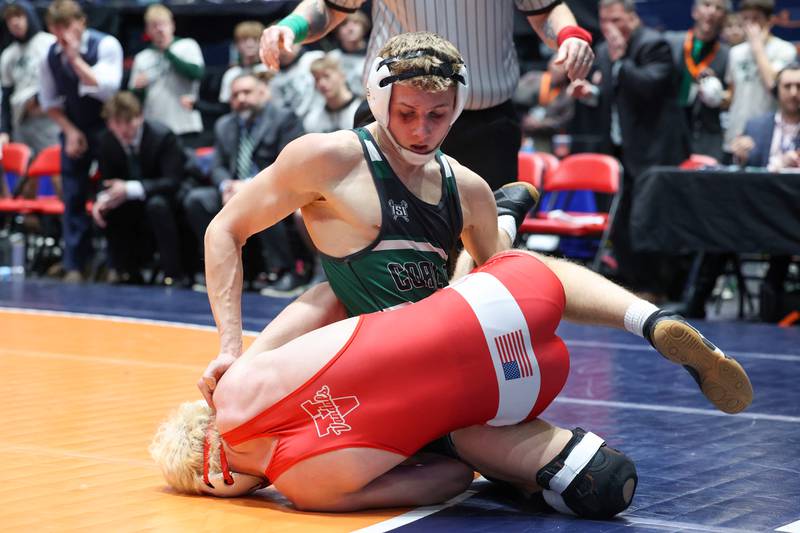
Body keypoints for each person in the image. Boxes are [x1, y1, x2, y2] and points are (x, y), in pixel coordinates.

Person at [197, 32, 750, 422]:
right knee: (239, 391)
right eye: (407, 113)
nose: (421, 130)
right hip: (357, 321)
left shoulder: (465, 185)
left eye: (437, 115)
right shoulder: (326, 158)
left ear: (458, 106)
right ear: (377, 99)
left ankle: (651, 322)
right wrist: (228, 345)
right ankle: (516, 220)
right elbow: (225, 228)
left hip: (436, 337)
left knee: (507, 267)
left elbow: (494, 283)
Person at [152, 250, 751, 517]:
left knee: (452, 437)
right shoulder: (239, 379)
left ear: (218, 482)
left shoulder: (309, 490)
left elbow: (451, 478)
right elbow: (330, 293)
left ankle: (564, 470)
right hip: (493, 304)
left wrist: (387, 447)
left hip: (517, 391)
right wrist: (238, 352)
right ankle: (647, 318)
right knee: (534, 281)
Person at [259, 0, 595, 190]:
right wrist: (291, 27)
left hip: (484, 120)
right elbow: (331, 7)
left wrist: (570, 35)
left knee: (481, 263)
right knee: (380, 248)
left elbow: (545, 9)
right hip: (392, 118)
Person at [569, 0, 690, 300]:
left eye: (616, 19)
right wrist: (592, 93)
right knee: (622, 222)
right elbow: (615, 93)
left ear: (633, 18)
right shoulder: (609, 49)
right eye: (605, 20)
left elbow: (649, 87)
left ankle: (658, 287)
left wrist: (623, 59)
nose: (610, 27)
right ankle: (634, 283)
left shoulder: (653, 44)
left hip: (656, 153)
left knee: (648, 220)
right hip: (625, 151)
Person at [685, 63, 800, 321]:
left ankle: (770, 306)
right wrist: (741, 156)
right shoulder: (757, 126)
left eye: (799, 87)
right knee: (722, 225)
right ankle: (696, 302)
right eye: (788, 86)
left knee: (784, 234)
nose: (794, 92)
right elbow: (744, 173)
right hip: (754, 211)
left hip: (792, 215)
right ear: (777, 91)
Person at [182, 72, 306, 293]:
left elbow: (289, 164)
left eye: (247, 92)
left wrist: (249, 186)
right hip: (233, 190)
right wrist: (225, 186)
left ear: (262, 93)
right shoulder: (224, 124)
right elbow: (217, 165)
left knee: (265, 201)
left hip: (274, 188)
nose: (241, 98)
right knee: (197, 200)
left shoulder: (284, 118)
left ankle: (287, 271)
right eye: (235, 94)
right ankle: (229, 268)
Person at [39, 0, 123, 282]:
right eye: (56, 28)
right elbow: (49, 101)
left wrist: (75, 59)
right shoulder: (50, 55)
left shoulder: (106, 44)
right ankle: (75, 264)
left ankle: (115, 263)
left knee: (110, 193)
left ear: (81, 22)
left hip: (108, 126)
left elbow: (107, 89)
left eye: (67, 26)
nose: (63, 34)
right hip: (74, 127)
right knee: (73, 194)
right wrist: (70, 131)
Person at [92, 91, 189, 286]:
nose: (124, 129)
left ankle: (173, 274)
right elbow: (105, 181)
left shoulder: (163, 136)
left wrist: (130, 189)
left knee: (157, 205)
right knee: (110, 208)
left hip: (167, 195)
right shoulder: (106, 141)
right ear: (110, 124)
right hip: (130, 199)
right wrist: (101, 200)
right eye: (117, 124)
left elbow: (173, 181)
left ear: (140, 117)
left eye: (129, 122)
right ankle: (126, 271)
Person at [722, 0, 796, 162]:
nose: (749, 26)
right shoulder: (736, 53)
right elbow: (732, 94)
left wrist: (757, 48)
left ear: (769, 21)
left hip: (766, 136)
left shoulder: (784, 50)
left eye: (755, 19)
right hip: (734, 134)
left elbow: (773, 85)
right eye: (745, 19)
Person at [128, 4, 205, 147]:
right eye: (154, 25)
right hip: (155, 127)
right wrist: (138, 89)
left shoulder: (187, 45)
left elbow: (197, 74)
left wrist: (168, 52)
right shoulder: (142, 58)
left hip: (185, 125)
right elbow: (134, 102)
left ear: (172, 25)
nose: (159, 29)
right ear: (147, 30)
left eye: (163, 24)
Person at [665, 0, 732, 161]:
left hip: (706, 134)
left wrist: (716, 93)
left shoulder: (728, 55)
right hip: (670, 131)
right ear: (695, 11)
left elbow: (732, 98)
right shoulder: (670, 42)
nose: (712, 12)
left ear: (724, 17)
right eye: (707, 5)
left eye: (718, 8)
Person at [0, 1, 59, 155]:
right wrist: (4, 130)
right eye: (10, 19)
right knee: (23, 174)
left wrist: (39, 99)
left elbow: (62, 80)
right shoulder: (8, 55)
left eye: (19, 16)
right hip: (20, 120)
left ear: (29, 17)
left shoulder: (49, 43)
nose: (15, 22)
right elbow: (6, 96)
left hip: (48, 118)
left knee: (53, 170)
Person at [304, 54, 363, 133]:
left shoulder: (363, 110)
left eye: (326, 76)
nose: (321, 83)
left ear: (342, 75)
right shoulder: (312, 120)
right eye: (317, 79)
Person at [219, 21, 268, 105]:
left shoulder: (271, 69)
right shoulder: (231, 74)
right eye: (244, 40)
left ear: (262, 42)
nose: (250, 44)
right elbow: (226, 104)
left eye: (255, 39)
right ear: (237, 44)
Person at [327, 10, 370, 98]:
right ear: (337, 31)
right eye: (344, 24)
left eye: (355, 22)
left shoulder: (375, 55)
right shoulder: (332, 58)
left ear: (364, 27)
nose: (350, 28)